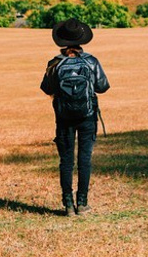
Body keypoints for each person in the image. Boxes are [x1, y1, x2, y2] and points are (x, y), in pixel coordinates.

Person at [40, 18, 110, 216]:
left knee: (66, 161)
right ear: (82, 39)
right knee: (84, 159)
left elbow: (46, 88)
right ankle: (82, 203)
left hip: (63, 117)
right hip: (87, 116)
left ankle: (68, 205)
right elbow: (103, 87)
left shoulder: (54, 63)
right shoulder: (90, 61)